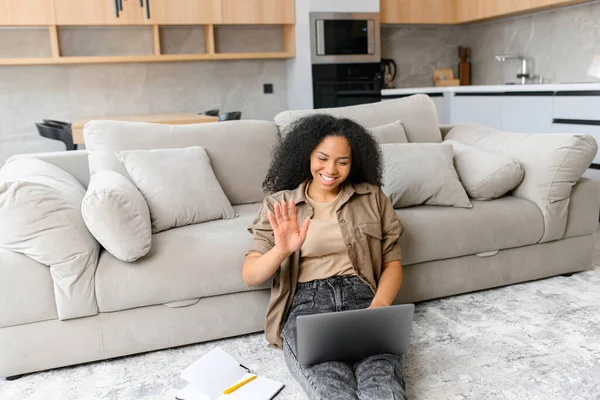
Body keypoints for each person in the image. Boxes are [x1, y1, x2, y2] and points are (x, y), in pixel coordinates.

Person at [243, 114, 407, 400]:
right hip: (307, 304)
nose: (331, 169)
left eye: (342, 162)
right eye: (322, 158)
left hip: (363, 297)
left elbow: (392, 262)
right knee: (330, 384)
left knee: (382, 380)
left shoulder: (372, 198)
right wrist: (281, 249)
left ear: (353, 163)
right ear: (306, 155)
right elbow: (251, 275)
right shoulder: (279, 204)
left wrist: (380, 305)